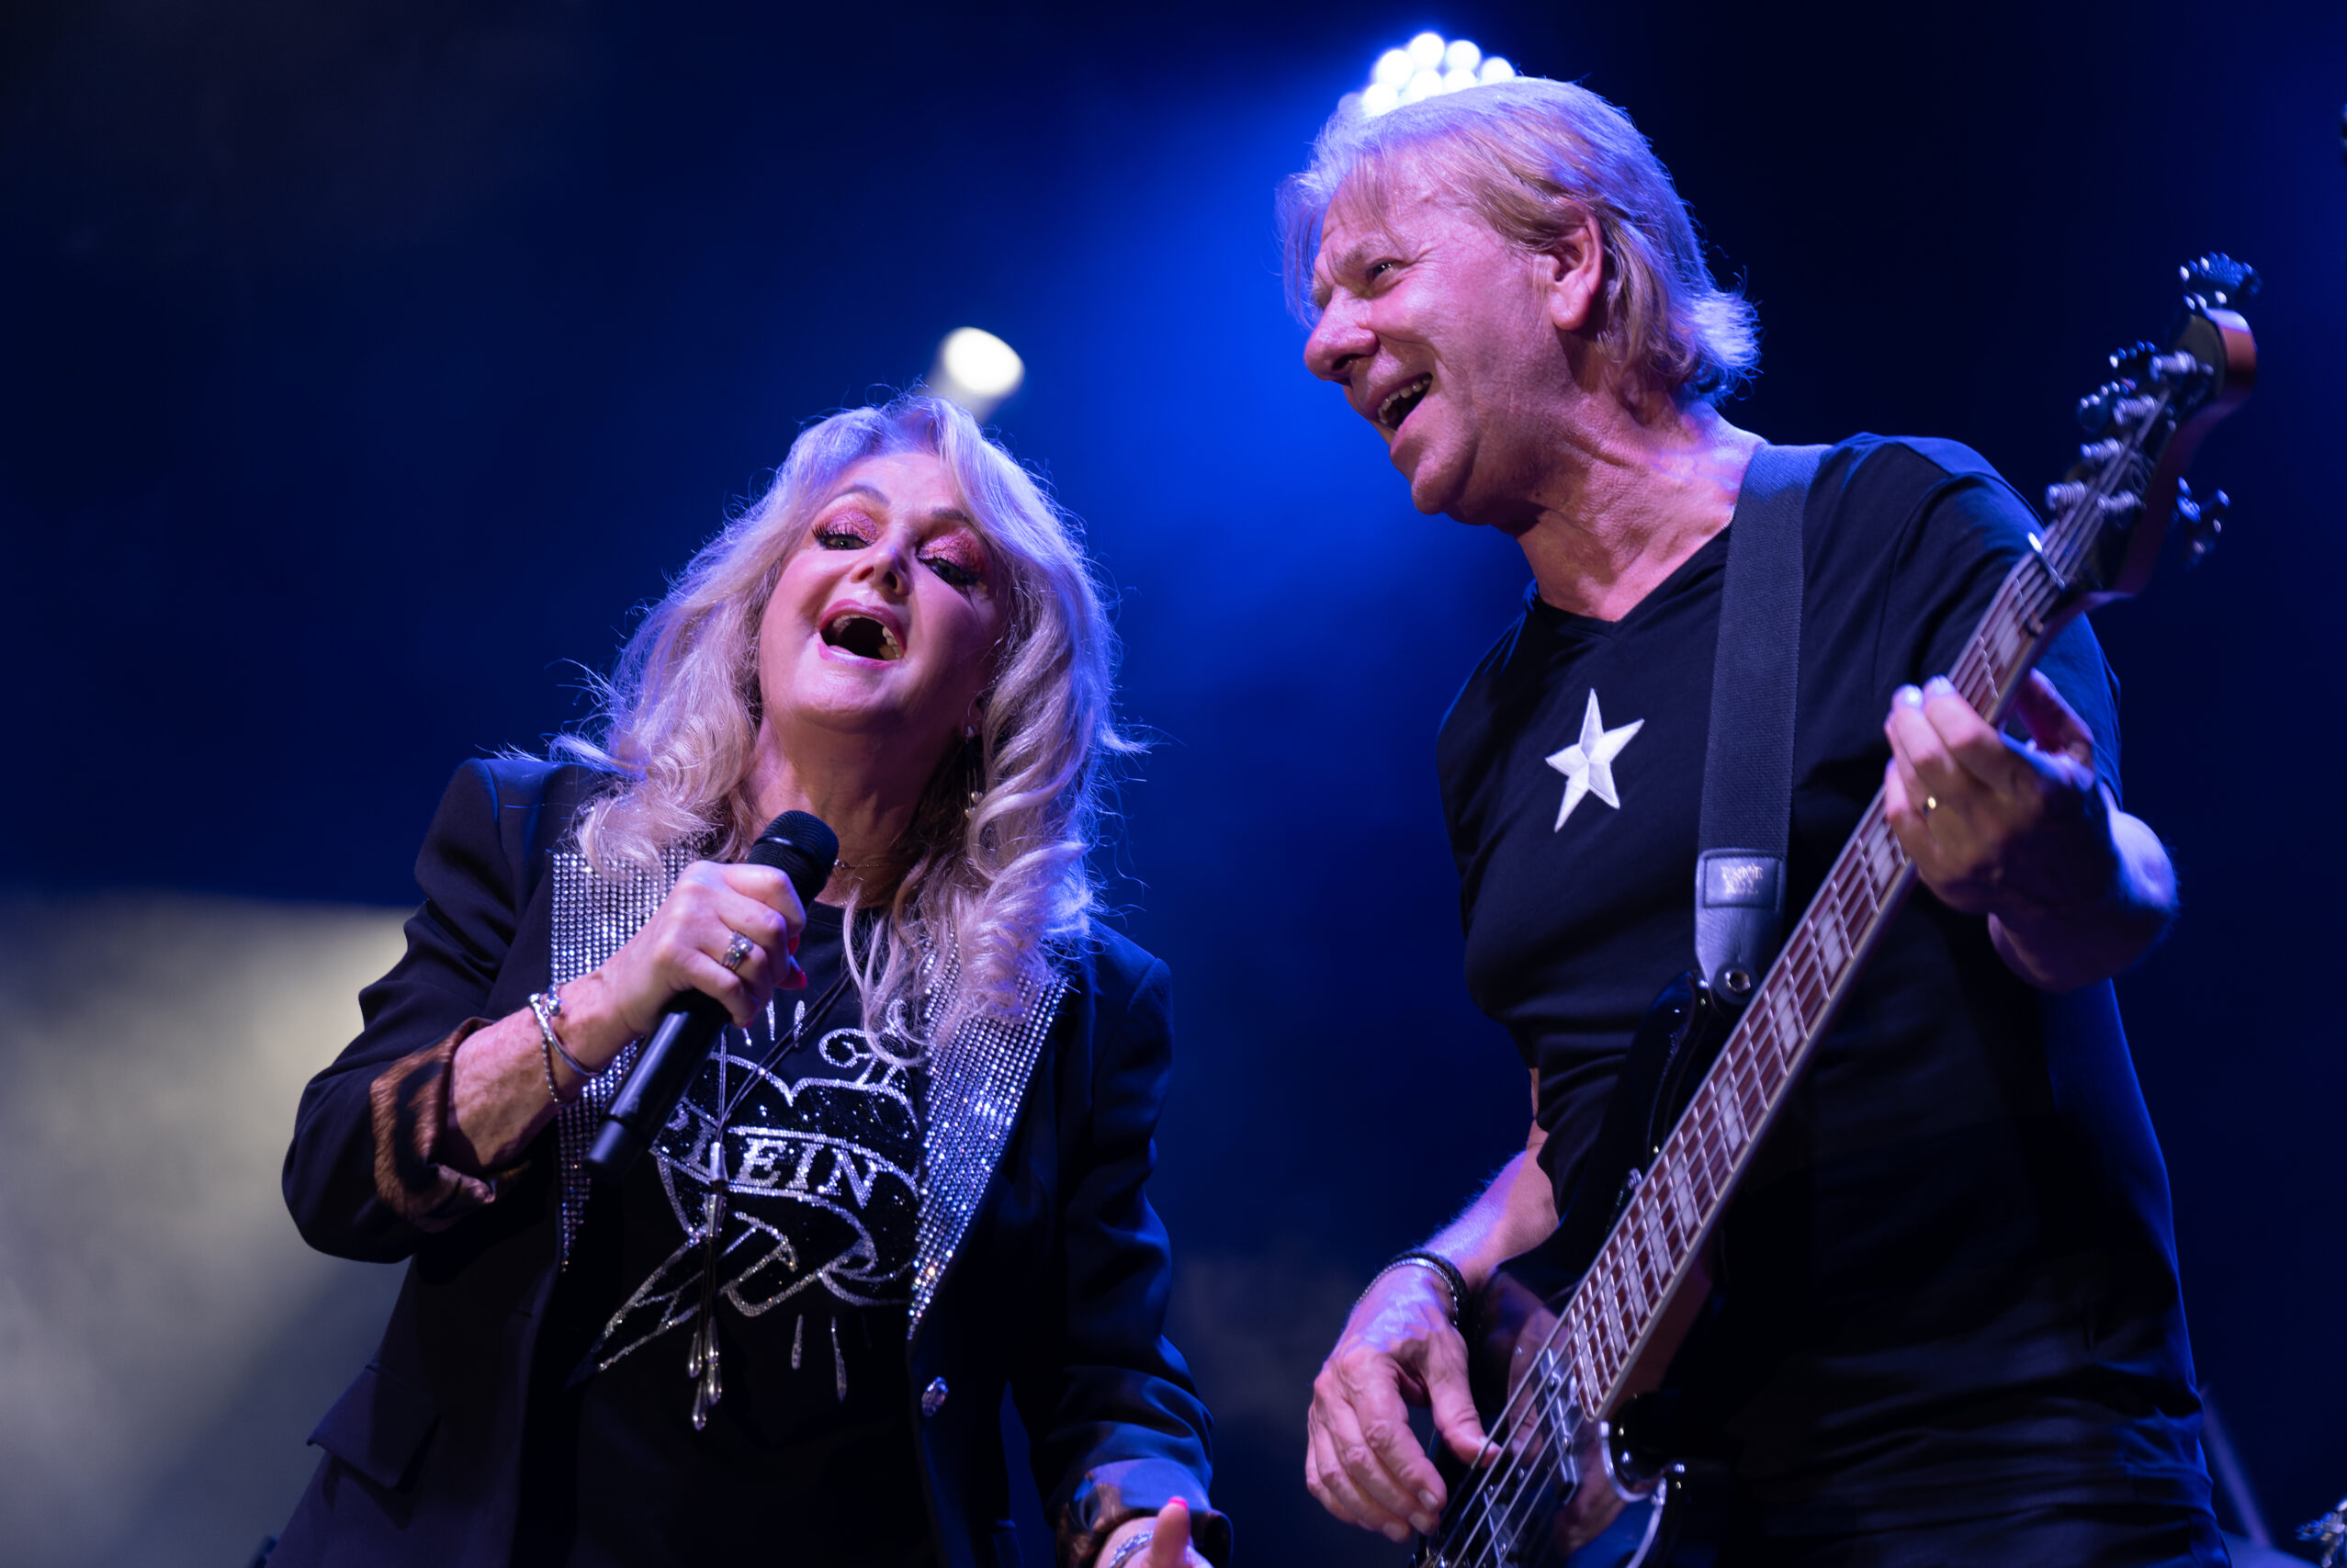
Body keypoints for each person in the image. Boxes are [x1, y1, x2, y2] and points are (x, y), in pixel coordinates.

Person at [1282, 78, 2224, 1565]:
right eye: (1322, 304)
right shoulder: (1486, 731)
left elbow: (2119, 891)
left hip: (2010, 1469)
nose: (1326, 342)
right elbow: (1579, 1124)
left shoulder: (1894, 519)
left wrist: (2050, 858)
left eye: (1376, 275)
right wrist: (1428, 1273)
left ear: (1573, 263)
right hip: (1708, 1511)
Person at [274, 395, 1227, 1568]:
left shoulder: (1071, 1003)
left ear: (992, 680)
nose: (881, 567)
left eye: (946, 564)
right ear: (760, 608)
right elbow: (338, 1180)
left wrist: (1139, 1523)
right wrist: (611, 997)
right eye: (841, 536)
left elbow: (1109, 1369)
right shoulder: (545, 843)